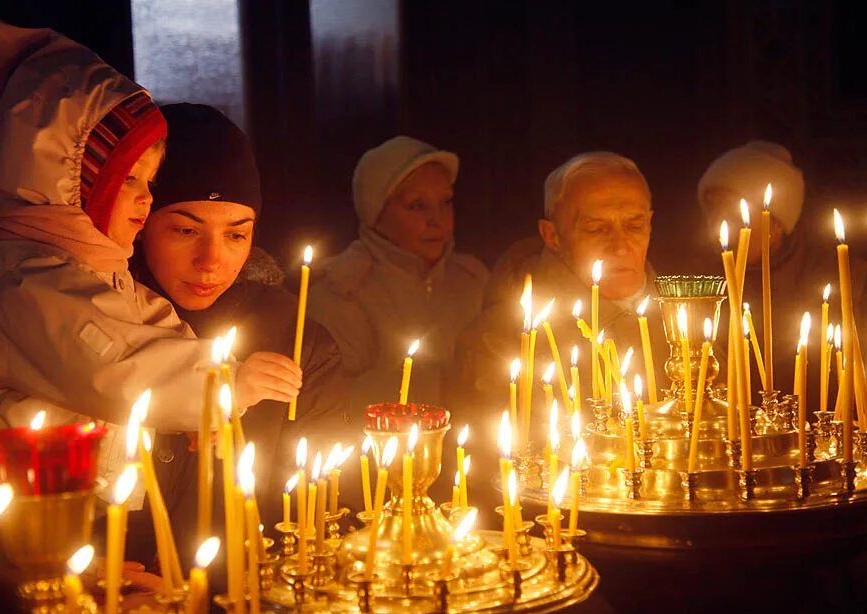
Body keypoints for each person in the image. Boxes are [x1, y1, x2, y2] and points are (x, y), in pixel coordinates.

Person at [0, 17, 281, 513]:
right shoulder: (32, 284)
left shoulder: (94, 272)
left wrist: (201, 412)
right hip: (9, 508)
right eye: (129, 179)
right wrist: (222, 388)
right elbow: (112, 366)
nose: (144, 199)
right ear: (72, 182)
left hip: (73, 503)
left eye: (151, 182)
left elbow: (154, 332)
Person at [129, 103, 354, 568]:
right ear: (141, 220)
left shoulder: (299, 344)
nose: (211, 260)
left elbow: (319, 513)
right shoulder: (90, 324)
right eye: (186, 229)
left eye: (236, 235)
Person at [453, 152, 670, 428]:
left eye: (635, 226)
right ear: (553, 236)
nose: (620, 246)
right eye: (596, 229)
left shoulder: (686, 322)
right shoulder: (500, 340)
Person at [308, 136, 488, 412]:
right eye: (417, 205)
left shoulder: (473, 280)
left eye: (446, 202)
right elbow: (333, 406)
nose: (436, 219)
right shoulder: (342, 293)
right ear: (377, 213)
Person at [698, 140, 867, 400]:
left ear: (775, 224)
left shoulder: (845, 281)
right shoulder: (707, 286)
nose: (717, 220)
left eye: (731, 207)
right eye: (711, 206)